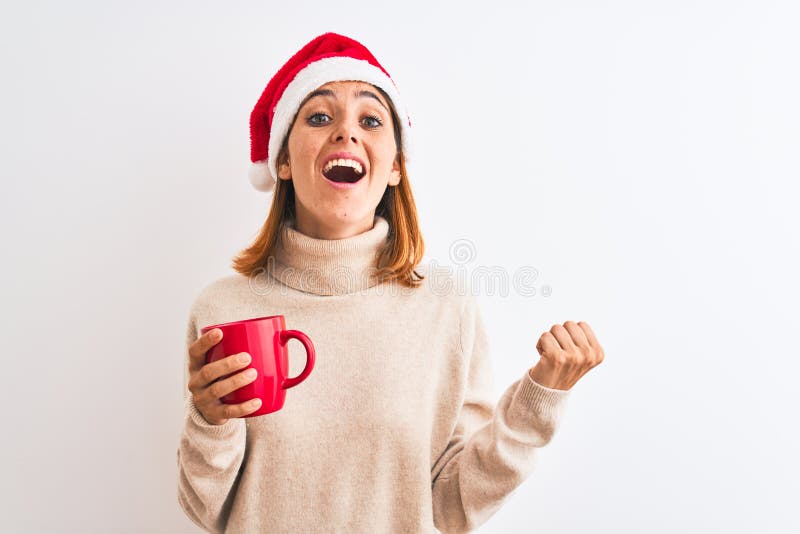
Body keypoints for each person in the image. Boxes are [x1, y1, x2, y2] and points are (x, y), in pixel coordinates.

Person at [176, 32, 605, 533]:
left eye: (371, 120)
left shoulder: (446, 306)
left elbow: (450, 506)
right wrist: (211, 421)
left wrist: (539, 399)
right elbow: (205, 508)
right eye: (318, 117)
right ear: (283, 160)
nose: (346, 133)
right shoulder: (223, 309)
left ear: (397, 164)